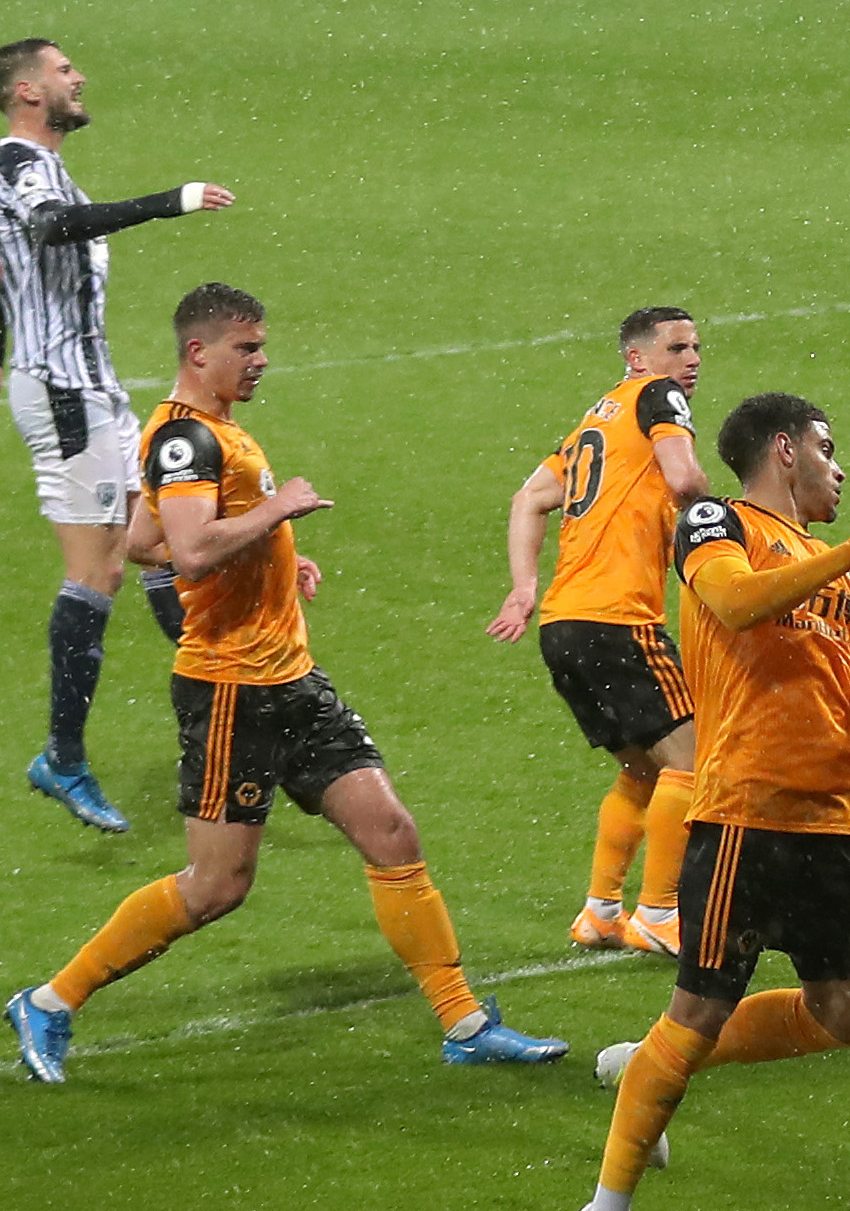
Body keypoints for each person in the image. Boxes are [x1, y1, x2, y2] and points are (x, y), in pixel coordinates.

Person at [4, 285, 566, 1084]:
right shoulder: (185, 442)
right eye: (247, 348)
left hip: (292, 680)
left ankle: (464, 1021)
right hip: (230, 690)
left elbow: (140, 541)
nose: (262, 360)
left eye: (262, 346)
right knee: (215, 887)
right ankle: (53, 1001)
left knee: (392, 835)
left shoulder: (216, 434)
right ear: (199, 353)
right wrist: (278, 515)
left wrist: (269, 558)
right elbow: (191, 551)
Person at [570, 392, 850, 1211]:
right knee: (695, 1015)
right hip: (740, 819)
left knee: (844, 1018)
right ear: (784, 450)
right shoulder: (715, 522)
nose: (840, 470)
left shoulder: (848, 577)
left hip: (832, 825)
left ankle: (640, 1065)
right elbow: (730, 602)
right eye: (828, 447)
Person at [0, 37, 235, 833]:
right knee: (96, 574)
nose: (79, 79)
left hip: (93, 393)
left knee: (158, 543)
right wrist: (167, 200)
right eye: (65, 72)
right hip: (65, 396)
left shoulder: (47, 165)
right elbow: (56, 229)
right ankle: (63, 758)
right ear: (28, 92)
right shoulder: (16, 166)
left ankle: (232, 708)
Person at [485, 306, 712, 958]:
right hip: (619, 620)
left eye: (697, 346)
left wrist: (525, 586)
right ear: (638, 358)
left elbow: (527, 498)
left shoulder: (597, 419)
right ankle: (659, 913)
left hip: (563, 623)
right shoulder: (656, 396)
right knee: (693, 761)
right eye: (676, 347)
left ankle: (600, 911)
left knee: (642, 771)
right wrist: (722, 525)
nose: (691, 359)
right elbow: (684, 476)